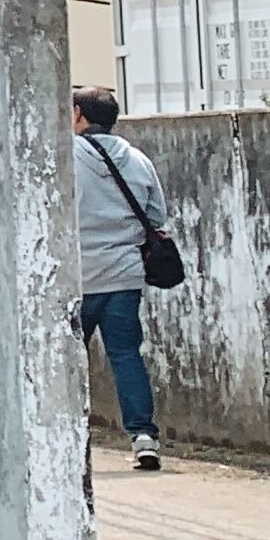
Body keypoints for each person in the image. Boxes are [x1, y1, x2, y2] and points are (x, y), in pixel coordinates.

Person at [72, 86, 168, 470]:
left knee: (68, 362)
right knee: (126, 356)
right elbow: (156, 217)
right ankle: (144, 437)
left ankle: (71, 437)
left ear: (79, 113)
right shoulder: (137, 159)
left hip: (78, 278)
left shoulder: (65, 156)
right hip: (125, 277)